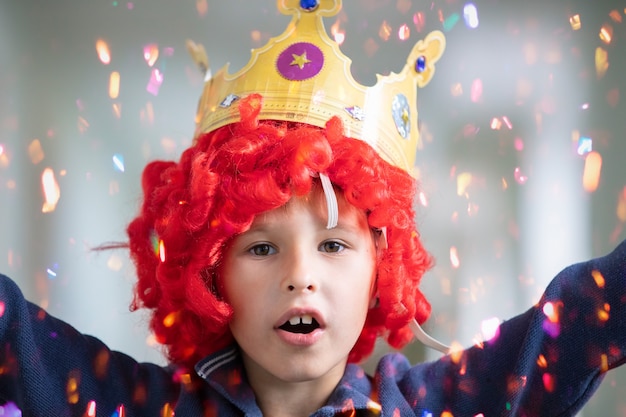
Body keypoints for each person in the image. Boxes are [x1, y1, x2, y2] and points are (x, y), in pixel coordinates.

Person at [1, 0, 625, 416]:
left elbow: (582, 317)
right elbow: (14, 335)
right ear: (210, 273)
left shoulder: (435, 404)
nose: (300, 274)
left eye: (333, 245)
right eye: (262, 247)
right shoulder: (142, 404)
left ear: (383, 269)